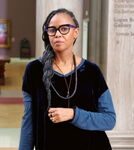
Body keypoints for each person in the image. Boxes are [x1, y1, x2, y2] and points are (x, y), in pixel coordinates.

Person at [19, 8, 116, 150]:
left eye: (64, 29)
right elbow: (28, 123)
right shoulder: (33, 70)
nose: (57, 34)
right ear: (47, 34)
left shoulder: (92, 71)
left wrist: (73, 114)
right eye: (52, 30)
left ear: (75, 32)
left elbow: (109, 120)